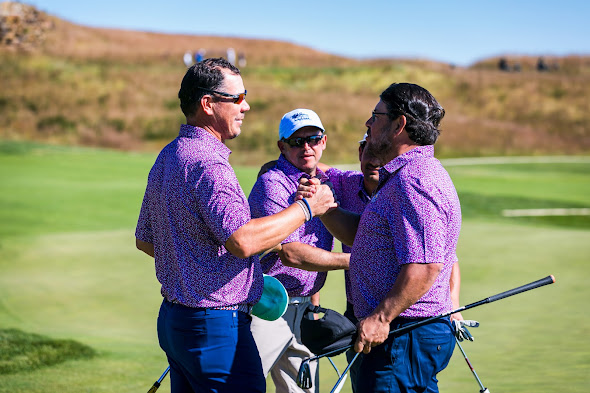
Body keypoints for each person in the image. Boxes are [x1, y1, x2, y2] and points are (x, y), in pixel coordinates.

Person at [134, 58, 336, 393]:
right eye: (237, 98)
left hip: (176, 321)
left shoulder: (169, 155)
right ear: (208, 104)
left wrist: (194, 267)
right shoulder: (209, 162)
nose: (247, 106)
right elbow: (242, 241)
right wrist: (307, 208)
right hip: (215, 326)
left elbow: (146, 241)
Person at [300, 82, 462, 393]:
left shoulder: (416, 181)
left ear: (399, 124)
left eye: (376, 115)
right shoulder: (405, 175)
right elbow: (366, 236)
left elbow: (425, 265)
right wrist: (325, 209)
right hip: (400, 333)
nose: (369, 123)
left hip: (401, 334)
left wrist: (381, 318)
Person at [248, 108, 349, 393]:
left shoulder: (328, 182)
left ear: (324, 141)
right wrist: (355, 261)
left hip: (303, 308)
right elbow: (289, 252)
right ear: (282, 146)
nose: (306, 147)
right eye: (296, 141)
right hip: (265, 306)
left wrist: (314, 300)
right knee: (242, 384)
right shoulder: (272, 184)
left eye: (314, 139)